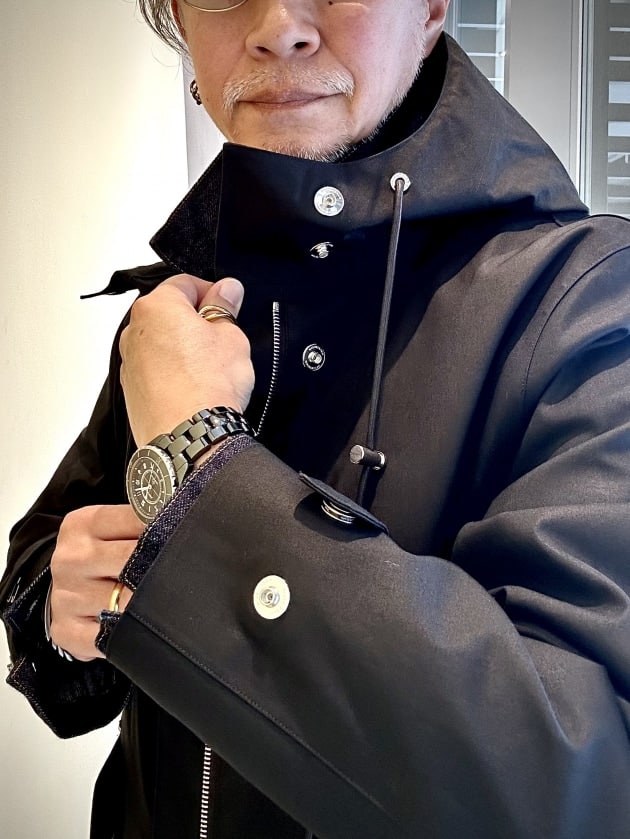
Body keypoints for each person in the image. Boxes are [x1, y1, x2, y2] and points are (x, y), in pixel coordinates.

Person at [2, 0, 630, 836]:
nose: (277, 25)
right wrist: (61, 611)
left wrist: (201, 463)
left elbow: (566, 796)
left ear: (431, 8)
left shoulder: (588, 308)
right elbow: (49, 560)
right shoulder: (181, 307)